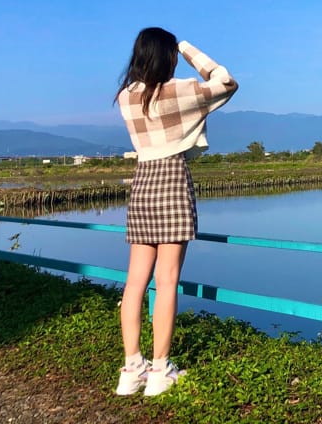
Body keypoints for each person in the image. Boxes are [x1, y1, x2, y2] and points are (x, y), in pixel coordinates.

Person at [113, 27, 238, 397]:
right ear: (167, 56)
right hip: (171, 182)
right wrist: (186, 48)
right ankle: (159, 370)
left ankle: (130, 369)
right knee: (167, 281)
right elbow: (226, 81)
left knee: (135, 283)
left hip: (142, 185)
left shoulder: (126, 97)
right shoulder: (180, 91)